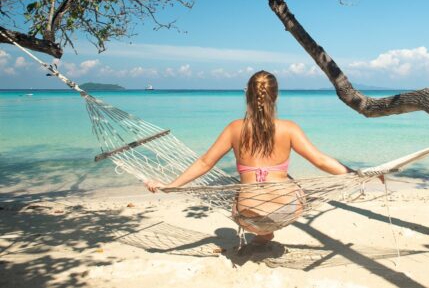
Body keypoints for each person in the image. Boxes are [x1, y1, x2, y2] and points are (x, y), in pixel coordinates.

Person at [145, 70, 353, 244]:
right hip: (286, 211)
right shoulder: (289, 129)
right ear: (276, 96)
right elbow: (320, 161)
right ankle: (267, 231)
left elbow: (205, 162)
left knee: (242, 193)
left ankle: (262, 232)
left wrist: (172, 185)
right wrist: (356, 174)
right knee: (288, 181)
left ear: (248, 96)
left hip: (248, 216)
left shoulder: (235, 128)